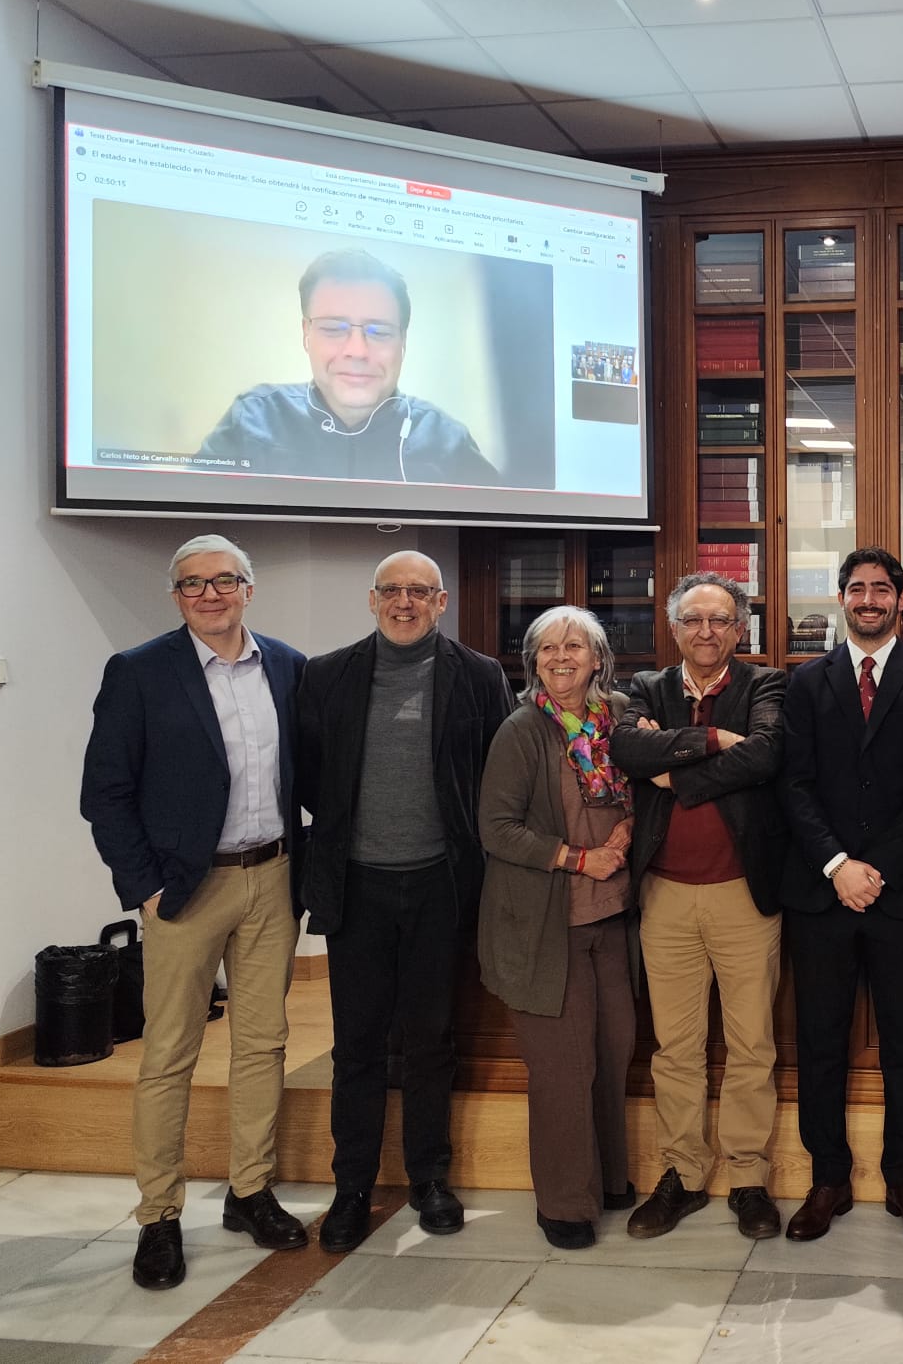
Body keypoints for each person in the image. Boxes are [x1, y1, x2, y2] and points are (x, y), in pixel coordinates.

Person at [80, 534, 308, 1290]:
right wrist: (143, 886)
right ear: (175, 597)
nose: (207, 594)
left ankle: (250, 1191)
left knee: (263, 1044)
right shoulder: (140, 672)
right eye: (190, 585)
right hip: (183, 890)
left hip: (271, 878)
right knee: (169, 1054)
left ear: (249, 587)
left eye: (221, 581)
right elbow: (105, 794)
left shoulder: (288, 665)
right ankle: (159, 1216)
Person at [294, 550, 512, 1253]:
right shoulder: (326, 675)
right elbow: (306, 775)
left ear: (441, 602)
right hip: (357, 884)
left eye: (420, 591)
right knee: (355, 1046)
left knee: (429, 1040)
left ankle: (429, 1180)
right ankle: (351, 1187)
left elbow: (496, 779)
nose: (405, 602)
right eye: (392, 590)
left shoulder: (478, 677)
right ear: (372, 599)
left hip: (440, 884)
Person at [777, 547, 903, 1245]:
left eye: (881, 589)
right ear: (841, 598)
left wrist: (873, 866)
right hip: (821, 895)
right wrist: (836, 865)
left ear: (902, 598)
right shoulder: (807, 681)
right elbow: (793, 784)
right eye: (857, 589)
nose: (869, 599)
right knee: (819, 1043)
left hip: (902, 893)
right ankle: (827, 1179)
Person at [610, 573, 788, 1242]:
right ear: (674, 628)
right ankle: (683, 1173)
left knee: (751, 1045)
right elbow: (625, 748)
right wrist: (714, 741)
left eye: (720, 621)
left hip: (745, 892)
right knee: (676, 1046)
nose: (707, 632)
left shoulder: (766, 685)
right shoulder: (643, 689)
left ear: (740, 629)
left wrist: (670, 766)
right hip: (665, 895)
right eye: (694, 621)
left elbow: (767, 756)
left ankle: (747, 1177)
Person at [476, 606, 637, 1249]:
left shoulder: (618, 718)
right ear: (533, 661)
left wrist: (627, 825)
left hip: (613, 918)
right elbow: (496, 828)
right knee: (561, 1070)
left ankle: (608, 1179)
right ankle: (565, 1205)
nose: (561, 657)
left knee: (613, 1052)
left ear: (598, 658)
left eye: (575, 646)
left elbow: (640, 789)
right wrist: (578, 858)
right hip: (548, 926)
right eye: (548, 648)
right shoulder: (522, 729)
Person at [197, 249, 499, 487]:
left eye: (379, 332)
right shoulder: (252, 421)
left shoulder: (447, 442)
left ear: (402, 342)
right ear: (306, 333)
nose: (357, 351)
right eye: (333, 329)